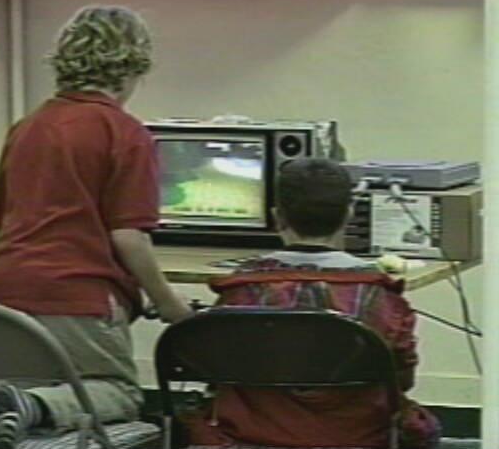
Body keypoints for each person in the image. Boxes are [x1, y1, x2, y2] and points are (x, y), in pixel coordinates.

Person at [0, 5, 192, 448]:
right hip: (79, 297)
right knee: (120, 393)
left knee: (37, 406)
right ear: (131, 68)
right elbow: (128, 236)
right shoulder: (124, 131)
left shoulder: (27, 127)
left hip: (5, 295)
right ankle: (17, 405)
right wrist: (169, 304)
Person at [179, 159, 441, 449]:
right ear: (348, 215)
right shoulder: (379, 296)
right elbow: (402, 380)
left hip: (247, 438)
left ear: (277, 217)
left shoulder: (239, 292)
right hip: (357, 438)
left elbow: (214, 371)